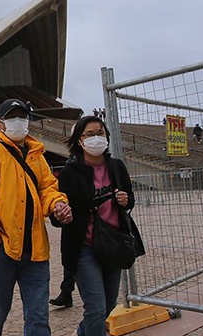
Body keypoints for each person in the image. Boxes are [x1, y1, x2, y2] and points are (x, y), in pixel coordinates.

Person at [0, 98, 72, 336]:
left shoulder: (36, 154)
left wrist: (57, 203)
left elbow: (47, 187)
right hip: (1, 246)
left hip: (35, 248)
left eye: (23, 117)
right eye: (12, 117)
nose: (19, 122)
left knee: (38, 315)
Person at [51, 115, 144, 336]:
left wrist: (126, 200)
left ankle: (82, 333)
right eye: (90, 134)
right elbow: (57, 217)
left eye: (100, 133)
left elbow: (129, 198)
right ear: (80, 140)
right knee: (96, 308)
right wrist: (62, 214)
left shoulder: (117, 167)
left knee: (108, 306)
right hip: (85, 246)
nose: (96, 138)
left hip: (112, 242)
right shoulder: (70, 173)